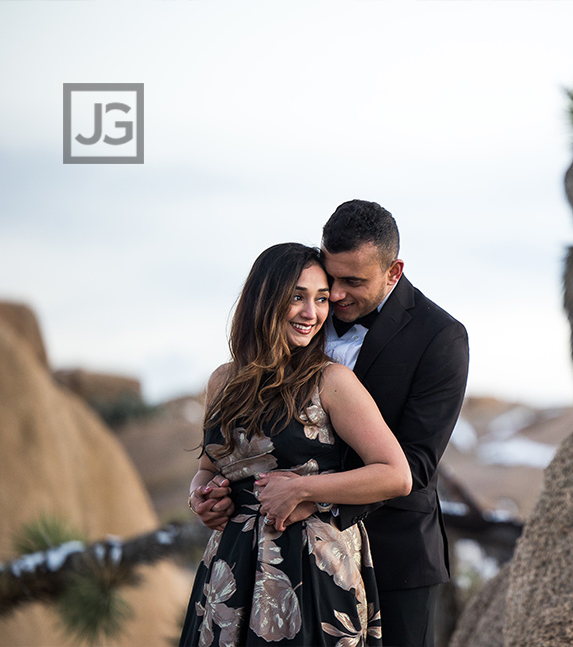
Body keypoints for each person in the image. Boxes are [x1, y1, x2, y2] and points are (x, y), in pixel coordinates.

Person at [198, 201, 470, 647]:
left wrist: (312, 496)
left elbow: (414, 466)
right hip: (265, 558)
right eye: (329, 280)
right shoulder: (303, 318)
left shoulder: (440, 338)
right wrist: (207, 493)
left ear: (393, 272)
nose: (335, 297)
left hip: (393, 553)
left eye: (352, 283)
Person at [180, 242, 412, 647]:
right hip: (231, 567)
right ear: (263, 298)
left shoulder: (333, 382)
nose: (312, 313)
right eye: (297, 297)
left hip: (312, 569)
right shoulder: (222, 381)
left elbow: (396, 475)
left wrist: (304, 488)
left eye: (321, 300)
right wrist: (200, 496)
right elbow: (210, 467)